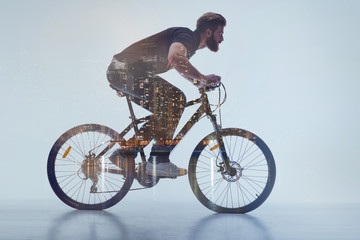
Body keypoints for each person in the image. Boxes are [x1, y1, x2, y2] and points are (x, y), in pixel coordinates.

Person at [107, 12, 226, 178]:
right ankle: (158, 161)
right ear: (208, 32)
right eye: (220, 33)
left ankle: (125, 152)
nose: (221, 39)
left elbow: (178, 65)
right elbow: (176, 59)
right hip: (125, 71)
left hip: (124, 72)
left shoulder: (188, 44)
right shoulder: (187, 36)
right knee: (176, 100)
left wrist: (198, 82)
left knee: (165, 113)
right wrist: (203, 78)